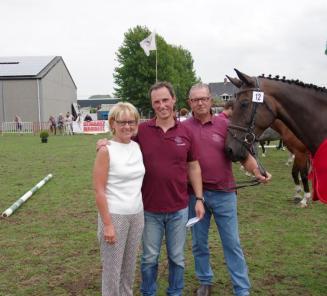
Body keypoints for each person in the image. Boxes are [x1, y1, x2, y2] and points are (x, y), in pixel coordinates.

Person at [97, 81, 205, 296]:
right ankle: (148, 292)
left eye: (165, 100)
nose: (162, 105)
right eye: (157, 102)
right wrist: (102, 143)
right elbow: (120, 140)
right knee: (148, 258)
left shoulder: (186, 132)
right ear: (152, 104)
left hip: (178, 208)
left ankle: (175, 292)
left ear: (174, 100)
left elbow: (193, 166)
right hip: (148, 209)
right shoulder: (142, 132)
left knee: (177, 257)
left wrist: (200, 198)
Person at [183, 83, 271, 296]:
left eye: (203, 98)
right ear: (190, 103)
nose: (200, 103)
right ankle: (205, 281)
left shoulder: (226, 125)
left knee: (232, 243)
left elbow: (243, 155)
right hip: (195, 197)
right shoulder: (184, 128)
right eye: (195, 100)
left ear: (211, 100)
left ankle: (241, 288)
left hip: (225, 195)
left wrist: (257, 170)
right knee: (198, 244)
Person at [93, 102, 145, 296]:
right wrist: (107, 224)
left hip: (137, 215)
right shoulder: (106, 151)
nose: (127, 126)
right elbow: (99, 190)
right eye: (122, 122)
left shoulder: (137, 147)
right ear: (112, 123)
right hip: (114, 216)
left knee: (129, 269)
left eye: (131, 122)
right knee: (112, 271)